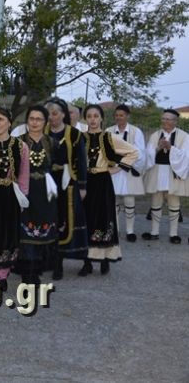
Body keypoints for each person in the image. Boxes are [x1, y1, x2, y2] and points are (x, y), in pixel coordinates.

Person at [81, 104, 139, 275]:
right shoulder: (80, 138)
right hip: (86, 182)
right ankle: (87, 262)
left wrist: (118, 168)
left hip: (102, 181)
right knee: (86, 219)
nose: (92, 119)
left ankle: (105, 259)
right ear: (86, 119)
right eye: (89, 116)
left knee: (104, 218)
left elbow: (133, 152)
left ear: (101, 118)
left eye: (95, 116)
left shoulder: (109, 138)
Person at [0, 107, 29, 291]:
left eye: (1, 119)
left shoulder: (20, 146)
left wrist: (23, 197)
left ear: (9, 123)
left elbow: (24, 173)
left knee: (9, 234)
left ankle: (1, 274)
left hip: (11, 195)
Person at [44, 98, 88, 278]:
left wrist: (83, 186)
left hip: (68, 182)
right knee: (50, 219)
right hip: (47, 181)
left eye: (55, 114)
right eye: (48, 114)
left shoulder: (75, 135)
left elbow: (82, 161)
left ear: (63, 114)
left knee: (70, 220)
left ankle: (82, 260)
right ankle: (53, 261)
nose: (51, 117)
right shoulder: (42, 132)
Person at [15, 106, 60, 283]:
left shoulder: (52, 143)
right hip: (25, 191)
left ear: (45, 122)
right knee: (25, 233)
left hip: (45, 192)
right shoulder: (18, 142)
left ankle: (38, 270)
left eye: (39, 119)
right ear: (27, 121)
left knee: (43, 231)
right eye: (31, 118)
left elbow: (58, 169)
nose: (34, 122)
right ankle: (28, 274)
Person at [142, 109, 189, 243]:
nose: (165, 121)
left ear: (175, 121)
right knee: (156, 201)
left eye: (168, 119)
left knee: (174, 202)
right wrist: (158, 147)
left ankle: (173, 234)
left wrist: (170, 148)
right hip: (157, 171)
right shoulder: (155, 135)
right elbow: (148, 154)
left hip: (173, 172)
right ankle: (154, 232)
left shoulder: (184, 136)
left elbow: (186, 156)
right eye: (163, 118)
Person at [105, 104, 146, 242]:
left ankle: (130, 231)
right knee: (113, 200)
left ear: (127, 116)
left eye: (121, 115)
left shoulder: (136, 131)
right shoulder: (108, 131)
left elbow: (139, 152)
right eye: (116, 115)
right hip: (113, 169)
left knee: (129, 200)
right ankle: (115, 230)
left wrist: (125, 159)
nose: (119, 117)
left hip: (129, 168)